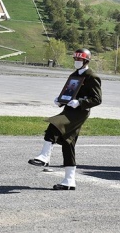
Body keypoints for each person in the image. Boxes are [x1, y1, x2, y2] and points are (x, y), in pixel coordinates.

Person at [28, 48, 102, 190]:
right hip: (68, 109)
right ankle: (69, 181)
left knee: (54, 124)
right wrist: (60, 100)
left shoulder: (92, 76)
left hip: (80, 112)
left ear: (86, 61)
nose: (76, 62)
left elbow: (97, 99)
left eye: (79, 60)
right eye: (75, 59)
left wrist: (80, 102)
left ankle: (45, 156)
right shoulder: (74, 75)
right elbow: (68, 92)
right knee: (69, 143)